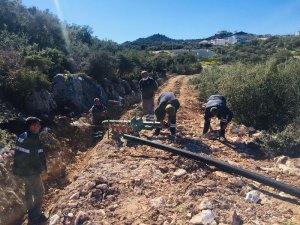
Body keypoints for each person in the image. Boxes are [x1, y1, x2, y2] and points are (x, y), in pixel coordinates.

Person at [13, 117, 48, 225]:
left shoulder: (22, 135)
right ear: (32, 126)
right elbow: (35, 157)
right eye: (38, 125)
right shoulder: (32, 138)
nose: (40, 127)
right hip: (31, 171)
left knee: (28, 192)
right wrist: (43, 170)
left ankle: (31, 213)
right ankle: (35, 217)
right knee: (39, 192)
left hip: (22, 171)